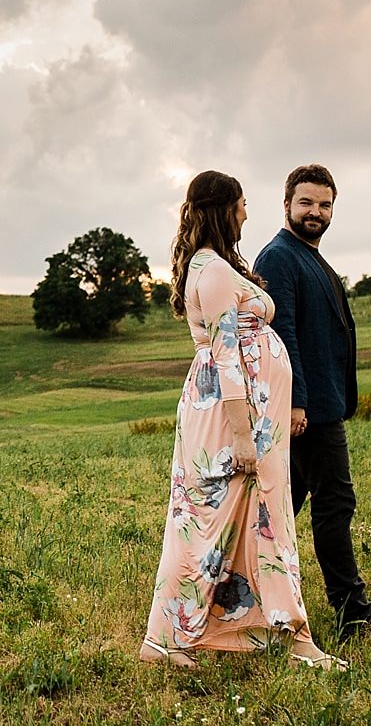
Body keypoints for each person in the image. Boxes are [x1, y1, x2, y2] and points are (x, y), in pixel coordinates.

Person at [139, 170, 347, 671]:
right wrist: (243, 437)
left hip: (254, 418)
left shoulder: (218, 266)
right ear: (222, 209)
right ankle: (166, 640)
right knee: (205, 524)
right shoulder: (210, 272)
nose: (247, 213)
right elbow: (226, 358)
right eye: (242, 204)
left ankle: (282, 633)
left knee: (254, 521)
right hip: (233, 420)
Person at [255, 164, 371, 644]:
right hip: (309, 412)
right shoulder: (280, 258)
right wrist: (297, 403)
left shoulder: (307, 255)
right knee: (335, 503)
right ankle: (353, 615)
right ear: (286, 205)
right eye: (306, 203)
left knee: (280, 509)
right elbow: (282, 337)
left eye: (324, 205)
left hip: (320, 403)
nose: (315, 213)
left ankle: (239, 598)